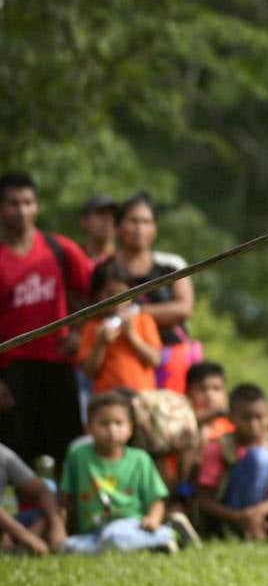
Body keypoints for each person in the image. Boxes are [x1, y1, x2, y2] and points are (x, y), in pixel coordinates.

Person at [0, 170, 94, 470]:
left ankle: (67, 514)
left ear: (37, 206)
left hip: (58, 365)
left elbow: (95, 292)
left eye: (28, 202)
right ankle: (26, 517)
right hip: (11, 370)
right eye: (13, 203)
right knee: (16, 455)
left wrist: (80, 333)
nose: (22, 210)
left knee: (67, 451)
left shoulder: (61, 248)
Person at [59, 391, 198, 554]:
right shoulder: (78, 455)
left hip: (130, 523)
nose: (112, 429)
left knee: (114, 537)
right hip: (93, 532)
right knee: (69, 547)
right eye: (104, 423)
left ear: (130, 428)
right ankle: (160, 541)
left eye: (118, 423)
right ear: (88, 428)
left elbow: (157, 499)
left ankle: (168, 534)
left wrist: (153, 519)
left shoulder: (140, 459)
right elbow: (68, 499)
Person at [195, 384, 268, 541]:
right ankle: (243, 528)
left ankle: (257, 527)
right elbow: (204, 499)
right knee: (259, 457)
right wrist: (239, 516)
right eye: (246, 418)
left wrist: (258, 513)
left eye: (260, 418)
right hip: (231, 512)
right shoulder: (218, 446)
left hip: (265, 510)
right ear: (231, 417)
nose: (254, 425)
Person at [112, 193, 197, 393]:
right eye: (133, 221)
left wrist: (135, 312)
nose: (139, 228)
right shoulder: (106, 268)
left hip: (170, 357)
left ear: (154, 229)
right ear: (118, 227)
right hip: (122, 361)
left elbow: (184, 308)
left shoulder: (171, 265)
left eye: (146, 222)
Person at [77, 260, 162, 394]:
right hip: (107, 399)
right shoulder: (93, 326)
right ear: (97, 295)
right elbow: (89, 372)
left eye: (122, 292)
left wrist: (132, 336)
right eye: (110, 294)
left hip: (141, 396)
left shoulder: (143, 320)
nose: (117, 300)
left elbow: (155, 360)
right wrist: (100, 343)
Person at [0, 439, 66, 555]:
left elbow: (42, 490)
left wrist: (57, 526)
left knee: (50, 512)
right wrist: (27, 537)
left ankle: (19, 548)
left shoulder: (3, 455)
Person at [186, 361, 233, 443]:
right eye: (202, 389)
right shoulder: (182, 423)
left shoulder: (232, 425)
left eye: (216, 388)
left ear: (225, 394)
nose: (209, 395)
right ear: (188, 392)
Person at [79, 195, 118, 262]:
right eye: (101, 213)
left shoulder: (127, 263)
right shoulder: (73, 260)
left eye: (113, 215)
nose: (108, 219)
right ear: (84, 221)